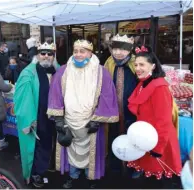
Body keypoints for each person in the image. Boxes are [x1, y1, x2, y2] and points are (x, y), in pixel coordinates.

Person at [47, 39, 119, 188]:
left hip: (90, 121)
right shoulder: (63, 71)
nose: (78, 54)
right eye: (76, 51)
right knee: (71, 149)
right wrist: (59, 119)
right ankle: (73, 176)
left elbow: (107, 96)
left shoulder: (101, 72)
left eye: (82, 51)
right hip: (69, 121)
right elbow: (55, 94)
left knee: (90, 151)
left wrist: (97, 119)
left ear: (90, 53)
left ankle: (90, 177)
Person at [127, 45, 182, 184]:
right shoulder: (143, 83)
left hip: (158, 141)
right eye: (136, 65)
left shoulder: (159, 87)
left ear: (152, 66)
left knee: (157, 181)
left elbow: (164, 121)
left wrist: (158, 148)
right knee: (148, 179)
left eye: (142, 65)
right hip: (146, 138)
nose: (137, 68)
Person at [14, 42, 57, 188]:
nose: (46, 56)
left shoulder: (58, 70)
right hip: (37, 117)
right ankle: (36, 174)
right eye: (43, 53)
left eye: (49, 54)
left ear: (53, 56)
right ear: (37, 55)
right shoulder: (28, 73)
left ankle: (48, 167)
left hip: (54, 117)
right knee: (37, 145)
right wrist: (30, 120)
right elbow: (22, 100)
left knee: (51, 143)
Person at [104, 34, 138, 176]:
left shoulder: (136, 63)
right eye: (115, 48)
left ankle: (133, 166)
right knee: (113, 136)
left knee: (133, 139)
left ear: (129, 50)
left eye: (123, 49)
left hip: (131, 110)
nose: (118, 52)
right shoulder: (109, 62)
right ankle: (115, 167)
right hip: (113, 111)